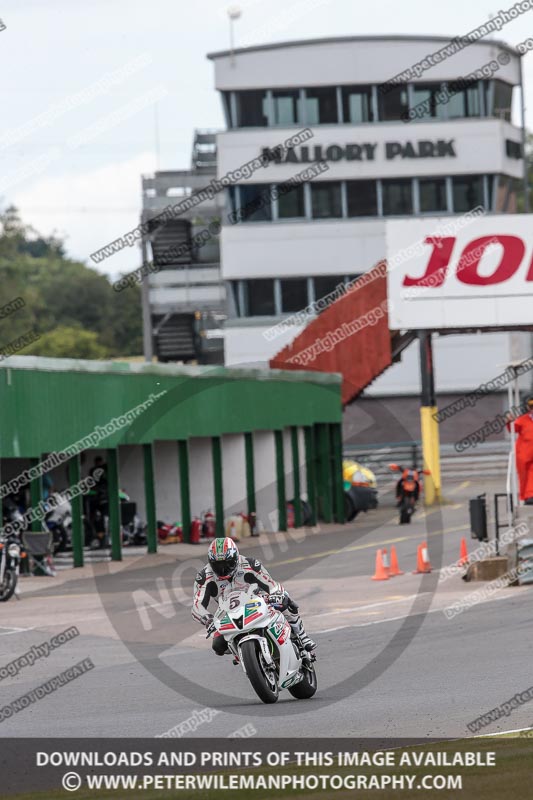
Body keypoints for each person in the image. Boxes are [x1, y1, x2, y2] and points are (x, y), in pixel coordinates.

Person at [191, 536, 316, 657]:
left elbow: (271, 584)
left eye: (227, 563)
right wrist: (208, 619)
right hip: (228, 612)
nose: (223, 569)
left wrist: (276, 594)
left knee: (285, 600)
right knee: (218, 646)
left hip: (258, 600)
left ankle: (302, 636)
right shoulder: (204, 577)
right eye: (217, 565)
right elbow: (197, 606)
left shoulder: (249, 564)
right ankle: (242, 655)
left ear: (235, 558)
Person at [507, 398, 533, 504]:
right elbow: (513, 428)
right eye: (531, 407)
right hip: (524, 453)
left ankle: (530, 495)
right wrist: (509, 421)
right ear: (528, 408)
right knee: (524, 476)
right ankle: (527, 496)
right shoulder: (523, 420)